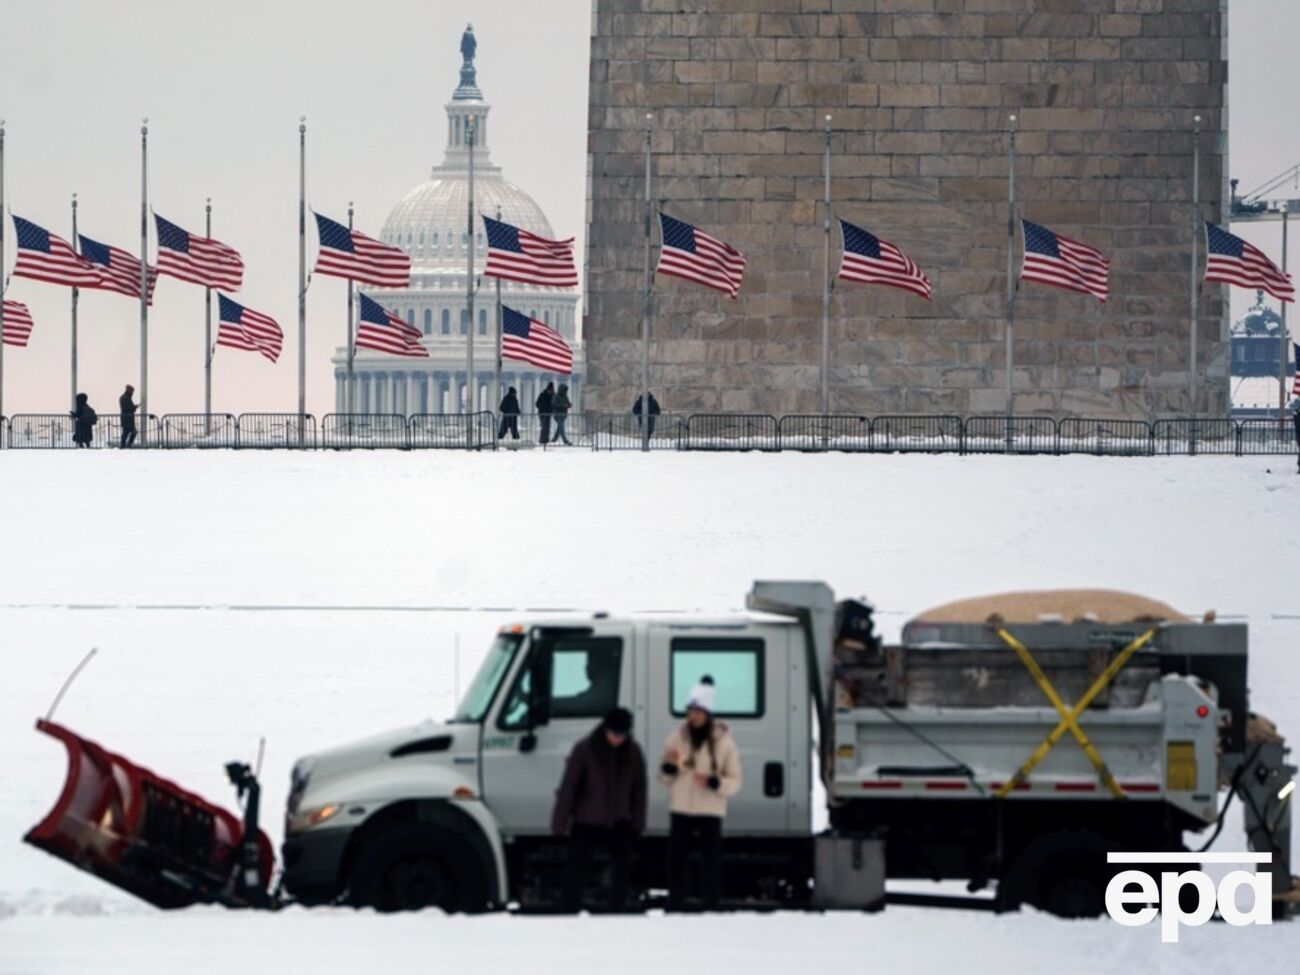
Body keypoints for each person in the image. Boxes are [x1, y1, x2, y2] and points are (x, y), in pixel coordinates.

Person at [551, 707, 647, 912]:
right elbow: (569, 787)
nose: (617, 739)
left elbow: (640, 789)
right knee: (576, 868)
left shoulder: (634, 752)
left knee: (622, 868)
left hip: (620, 820)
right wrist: (560, 823)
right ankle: (569, 910)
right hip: (587, 820)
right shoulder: (585, 749)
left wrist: (638, 821)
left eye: (622, 734)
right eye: (614, 733)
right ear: (605, 729)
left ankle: (616, 910)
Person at [658, 676, 742, 910]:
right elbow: (663, 777)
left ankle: (711, 904)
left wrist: (716, 783)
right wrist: (669, 769)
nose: (692, 716)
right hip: (681, 807)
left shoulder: (724, 743)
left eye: (697, 712)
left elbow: (735, 780)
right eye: (690, 711)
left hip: (710, 809)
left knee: (711, 860)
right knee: (676, 859)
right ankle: (675, 903)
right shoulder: (675, 739)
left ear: (707, 714)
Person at [536, 381, 555, 446]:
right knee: (544, 426)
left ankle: (545, 439)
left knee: (547, 427)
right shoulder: (543, 395)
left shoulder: (552, 395)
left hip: (547, 413)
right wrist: (542, 407)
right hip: (542, 413)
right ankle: (542, 440)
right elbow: (537, 403)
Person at [119, 384, 138, 449]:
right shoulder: (126, 398)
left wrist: (133, 407)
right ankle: (126, 445)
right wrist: (135, 407)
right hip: (127, 418)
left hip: (126, 418)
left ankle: (124, 445)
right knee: (130, 432)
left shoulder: (124, 397)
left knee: (126, 432)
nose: (133, 392)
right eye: (132, 391)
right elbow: (129, 408)